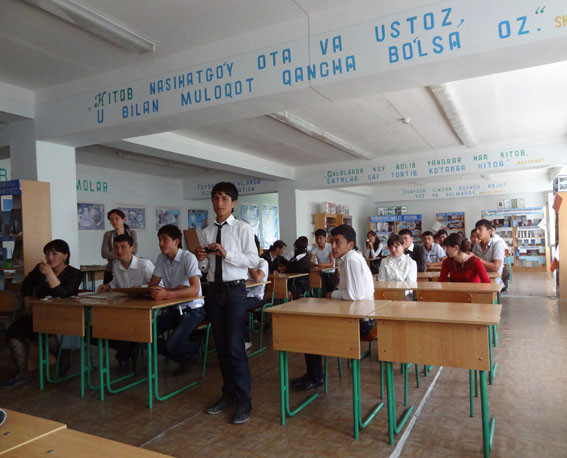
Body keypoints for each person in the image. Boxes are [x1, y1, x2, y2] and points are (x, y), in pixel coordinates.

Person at [196, 182, 259, 425]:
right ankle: (228, 394)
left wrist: (226, 254)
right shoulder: (206, 231)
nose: (219, 203)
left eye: (224, 199)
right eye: (215, 198)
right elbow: (205, 268)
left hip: (235, 291)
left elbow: (253, 259)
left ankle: (244, 400)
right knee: (220, 347)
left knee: (235, 347)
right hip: (214, 291)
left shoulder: (243, 228)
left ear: (233, 203)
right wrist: (201, 259)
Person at [291, 224, 375, 392]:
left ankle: (315, 377)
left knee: (311, 333)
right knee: (311, 329)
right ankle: (313, 375)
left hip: (362, 322)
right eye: (332, 242)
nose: (333, 246)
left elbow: (354, 295)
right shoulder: (347, 258)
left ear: (350, 244)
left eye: (338, 242)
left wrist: (332, 294)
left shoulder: (351, 259)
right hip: (354, 315)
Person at [1, 240, 81, 388]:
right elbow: (26, 285)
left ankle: (63, 357)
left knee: (46, 335)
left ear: (65, 256)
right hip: (37, 313)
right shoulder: (40, 269)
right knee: (13, 332)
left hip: (61, 317)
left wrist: (50, 274)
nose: (49, 257)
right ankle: (21, 373)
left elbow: (65, 294)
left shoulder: (74, 273)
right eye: (47, 253)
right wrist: (26, 299)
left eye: (54, 254)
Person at [148, 225, 204, 376]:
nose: (161, 243)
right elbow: (152, 286)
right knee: (147, 335)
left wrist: (167, 293)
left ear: (176, 241)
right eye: (159, 240)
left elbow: (194, 289)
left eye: (164, 239)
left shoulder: (188, 257)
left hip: (193, 309)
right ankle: (186, 356)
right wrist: (175, 291)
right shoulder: (161, 258)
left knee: (172, 344)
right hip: (173, 308)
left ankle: (191, 348)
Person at [98, 233, 155, 373]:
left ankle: (124, 356)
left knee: (125, 326)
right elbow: (116, 283)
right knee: (104, 327)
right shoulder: (117, 266)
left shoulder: (144, 264)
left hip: (145, 309)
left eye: (123, 247)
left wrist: (141, 288)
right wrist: (108, 285)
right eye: (116, 247)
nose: (119, 251)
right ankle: (128, 351)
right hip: (125, 308)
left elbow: (160, 284)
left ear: (132, 248)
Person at [244, 236, 269, 351]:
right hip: (242, 295)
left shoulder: (262, 262)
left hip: (256, 298)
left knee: (238, 307)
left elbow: (258, 278)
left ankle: (246, 340)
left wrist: (248, 265)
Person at [101, 209, 138, 284]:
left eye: (117, 218)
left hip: (128, 268)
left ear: (124, 219)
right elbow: (104, 254)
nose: (114, 221)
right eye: (111, 219)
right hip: (111, 270)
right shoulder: (108, 234)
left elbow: (133, 252)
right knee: (107, 292)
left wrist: (114, 252)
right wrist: (124, 254)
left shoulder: (131, 233)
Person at [472, 219, 506, 288]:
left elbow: (496, 267)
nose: (477, 232)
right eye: (476, 229)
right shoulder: (476, 246)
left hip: (493, 280)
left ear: (489, 231)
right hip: (480, 278)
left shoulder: (497, 244)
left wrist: (477, 260)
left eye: (480, 229)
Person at [310, 229, 336, 294]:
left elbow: (331, 263)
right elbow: (311, 262)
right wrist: (316, 265)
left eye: (320, 238)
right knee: (323, 293)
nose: (318, 240)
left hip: (330, 273)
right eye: (317, 238)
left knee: (330, 293)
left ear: (325, 238)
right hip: (320, 273)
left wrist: (320, 265)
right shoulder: (314, 249)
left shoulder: (330, 247)